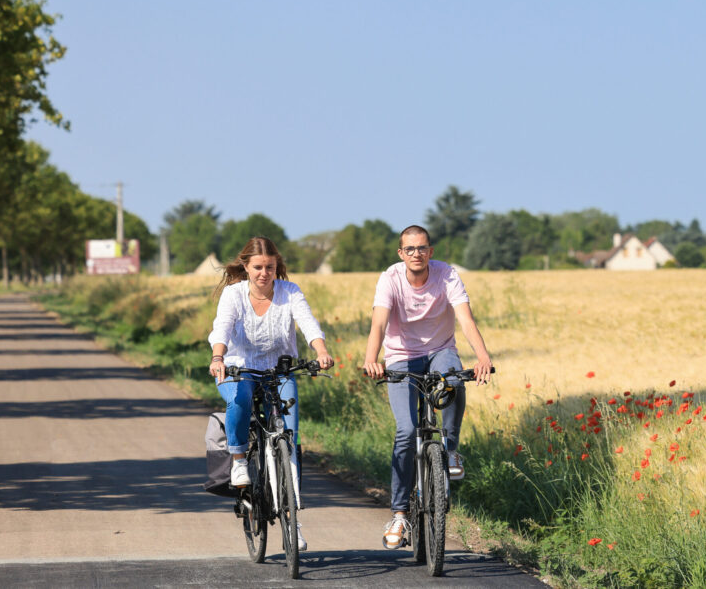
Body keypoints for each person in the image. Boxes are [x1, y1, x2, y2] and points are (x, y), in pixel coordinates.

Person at [363, 225, 493, 550]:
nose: (417, 254)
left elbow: (465, 319)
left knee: (453, 378)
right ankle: (399, 514)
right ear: (401, 254)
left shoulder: (446, 275)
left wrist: (483, 357)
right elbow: (379, 323)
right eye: (410, 249)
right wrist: (371, 359)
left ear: (430, 251)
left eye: (422, 248)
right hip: (400, 357)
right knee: (406, 432)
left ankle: (450, 449)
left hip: (440, 351)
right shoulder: (389, 279)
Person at [208, 236, 334, 552]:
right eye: (259, 267)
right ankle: (238, 459)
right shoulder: (234, 295)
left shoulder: (289, 292)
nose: (265, 273)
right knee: (239, 399)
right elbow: (222, 327)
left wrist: (320, 350)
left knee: (290, 437)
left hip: (279, 371)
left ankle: (293, 521)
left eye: (271, 267)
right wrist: (218, 357)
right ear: (246, 268)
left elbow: (307, 321)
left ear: (277, 267)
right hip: (239, 368)